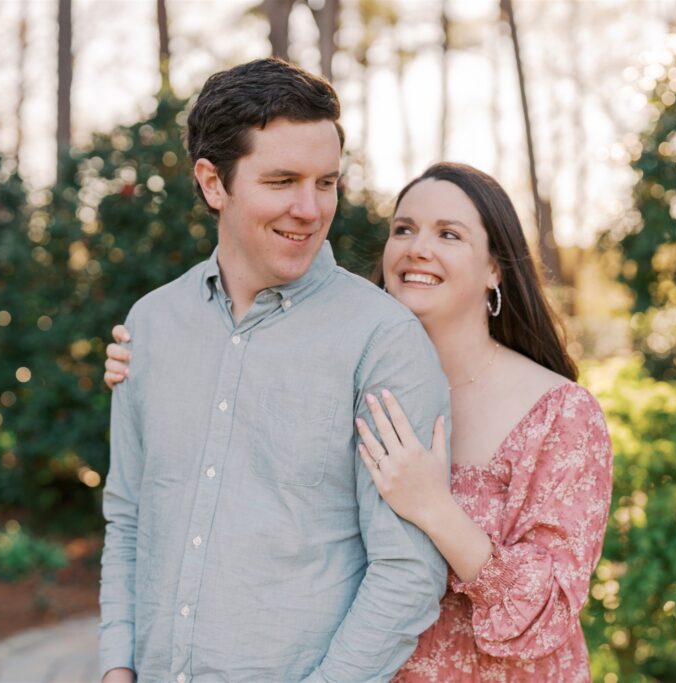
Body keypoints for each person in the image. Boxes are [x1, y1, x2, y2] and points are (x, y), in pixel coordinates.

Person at [106, 161, 614, 681]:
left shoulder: (558, 414)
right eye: (403, 229)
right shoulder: (337, 372)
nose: (417, 247)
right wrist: (151, 360)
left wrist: (437, 509)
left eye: (449, 234)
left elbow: (549, 608)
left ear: (495, 269)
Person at [97, 58, 451, 683]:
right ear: (213, 183)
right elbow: (129, 518)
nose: (310, 209)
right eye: (283, 180)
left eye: (326, 183)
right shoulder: (150, 326)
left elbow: (407, 572)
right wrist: (116, 667)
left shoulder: (383, 339)